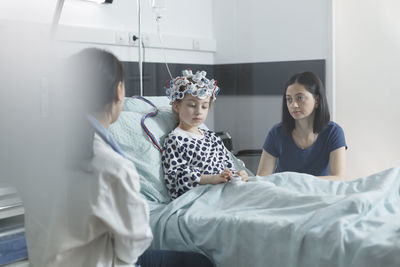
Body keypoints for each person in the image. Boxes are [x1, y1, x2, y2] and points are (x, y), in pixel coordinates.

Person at [26, 48, 213, 267]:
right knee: (201, 263)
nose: (198, 110)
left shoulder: (38, 155)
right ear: (119, 91)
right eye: (191, 104)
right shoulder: (112, 166)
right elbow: (135, 243)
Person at [162, 69, 248, 200]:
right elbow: (176, 180)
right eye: (192, 105)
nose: (198, 112)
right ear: (176, 106)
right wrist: (211, 179)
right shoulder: (175, 140)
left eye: (204, 106)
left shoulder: (212, 137)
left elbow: (228, 165)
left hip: (228, 189)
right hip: (203, 196)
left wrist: (238, 175)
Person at [257, 71, 347, 180]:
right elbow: (262, 179)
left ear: (317, 100)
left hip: (319, 194)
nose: (293, 105)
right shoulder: (276, 133)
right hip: (284, 195)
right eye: (289, 99)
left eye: (300, 98)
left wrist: (297, 182)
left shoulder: (333, 132)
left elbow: (339, 178)